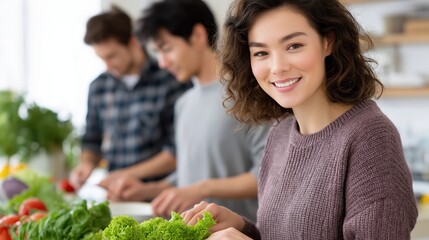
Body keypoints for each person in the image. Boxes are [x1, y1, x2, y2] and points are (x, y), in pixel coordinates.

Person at [182, 0, 418, 239]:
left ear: (328, 42)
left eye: (294, 46)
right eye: (261, 53)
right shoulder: (281, 133)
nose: (277, 67)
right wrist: (241, 228)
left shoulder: (370, 137)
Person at [103, 0, 270, 222]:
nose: (162, 63)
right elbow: (190, 174)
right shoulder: (184, 103)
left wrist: (202, 189)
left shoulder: (249, 95)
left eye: (167, 49)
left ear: (197, 36)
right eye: (157, 53)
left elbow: (269, 176)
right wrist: (148, 190)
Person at [70, 6, 191, 192]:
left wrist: (127, 174)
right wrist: (86, 164)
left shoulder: (172, 80)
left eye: (112, 56)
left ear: (133, 42)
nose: (108, 66)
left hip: (162, 199)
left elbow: (177, 152)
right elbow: (92, 140)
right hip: (116, 197)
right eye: (101, 58)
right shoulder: (98, 87)